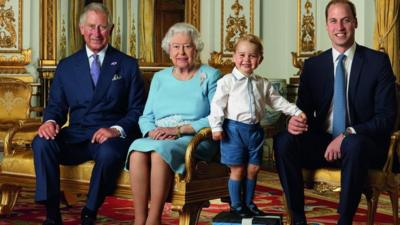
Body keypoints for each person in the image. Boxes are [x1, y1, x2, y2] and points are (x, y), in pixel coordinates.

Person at [273, 1, 397, 225]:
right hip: (324, 144)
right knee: (284, 141)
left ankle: (344, 220)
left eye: (345, 20)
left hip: (363, 145)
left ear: (355, 23)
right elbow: (302, 111)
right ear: (326, 25)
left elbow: (386, 118)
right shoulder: (313, 65)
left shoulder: (377, 62)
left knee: (353, 143)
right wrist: (294, 123)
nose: (339, 26)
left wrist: (348, 133)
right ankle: (298, 219)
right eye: (333, 21)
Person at [32, 3, 145, 225]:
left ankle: (89, 212)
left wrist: (115, 130)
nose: (97, 33)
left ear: (110, 30)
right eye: (91, 27)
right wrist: (50, 121)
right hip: (76, 135)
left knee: (109, 153)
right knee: (41, 142)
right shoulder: (67, 65)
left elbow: (137, 110)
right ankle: (52, 214)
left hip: (109, 137)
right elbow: (56, 106)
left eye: (102, 27)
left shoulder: (127, 65)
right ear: (82, 29)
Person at [126, 22, 221, 225]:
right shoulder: (160, 78)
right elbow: (146, 116)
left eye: (187, 46)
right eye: (176, 46)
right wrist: (152, 132)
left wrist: (178, 130)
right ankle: (139, 219)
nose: (181, 52)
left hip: (194, 137)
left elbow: (216, 117)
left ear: (196, 49)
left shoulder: (210, 75)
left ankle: (153, 220)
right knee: (136, 152)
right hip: (159, 136)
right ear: (169, 50)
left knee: (159, 151)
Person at [208, 34, 306, 217]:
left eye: (252, 56)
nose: (246, 60)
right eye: (242, 55)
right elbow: (217, 105)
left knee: (253, 169)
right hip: (233, 130)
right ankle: (236, 205)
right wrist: (216, 127)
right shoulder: (227, 82)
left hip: (255, 131)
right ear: (234, 57)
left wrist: (295, 111)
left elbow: (278, 102)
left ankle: (248, 203)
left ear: (259, 60)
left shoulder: (262, 83)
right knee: (237, 169)